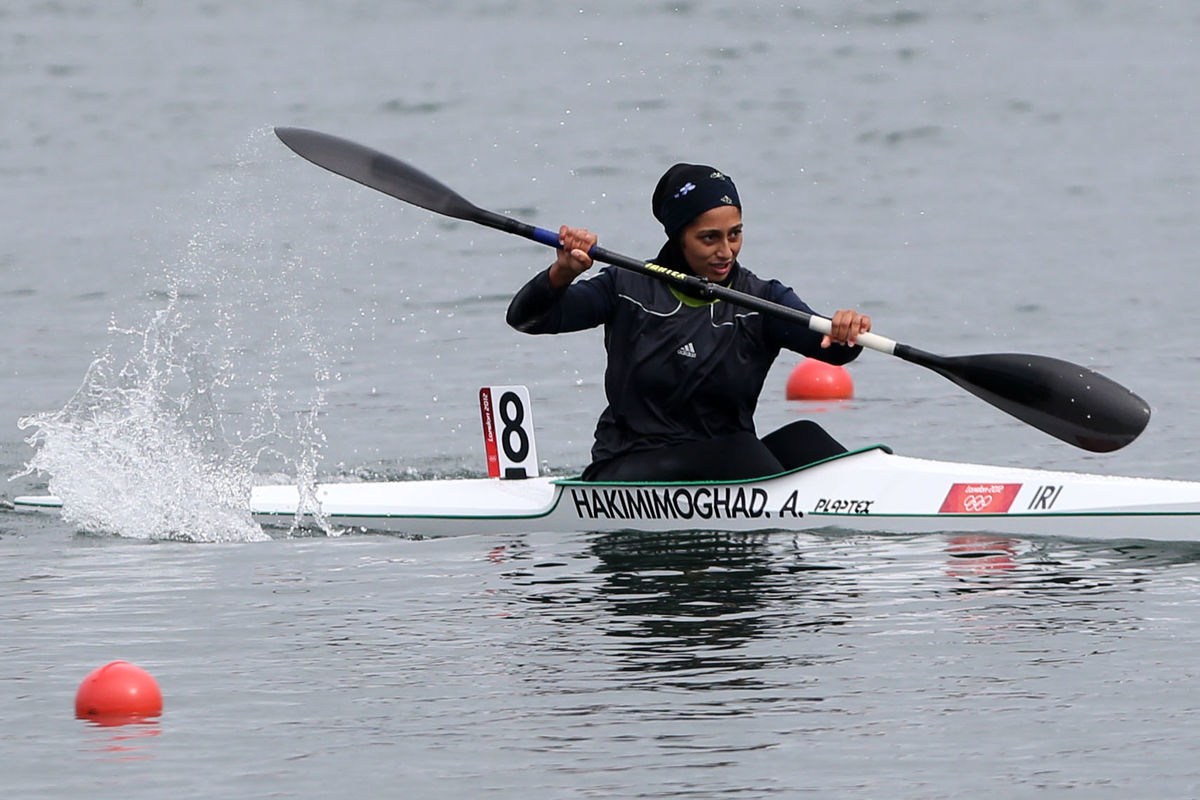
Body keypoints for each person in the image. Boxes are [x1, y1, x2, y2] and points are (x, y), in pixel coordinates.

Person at [506, 163, 871, 481]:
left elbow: (832, 353)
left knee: (806, 437)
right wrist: (561, 273)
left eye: (735, 234)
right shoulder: (626, 287)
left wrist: (843, 333)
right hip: (629, 467)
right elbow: (527, 319)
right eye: (709, 238)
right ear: (679, 237)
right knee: (737, 450)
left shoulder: (761, 299)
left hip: (732, 463)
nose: (725, 251)